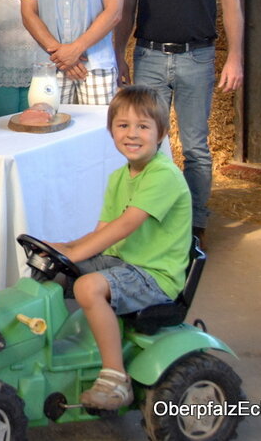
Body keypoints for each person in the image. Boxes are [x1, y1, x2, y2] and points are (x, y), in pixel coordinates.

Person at [115, 0, 244, 247]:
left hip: (197, 57)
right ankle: (151, 218)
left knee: (195, 147)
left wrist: (234, 58)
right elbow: (127, 7)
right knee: (146, 141)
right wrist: (121, 54)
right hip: (149, 56)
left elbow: (231, 5)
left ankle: (195, 225)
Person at [44, 86, 191, 410]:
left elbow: (125, 226)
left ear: (161, 133)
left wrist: (73, 253)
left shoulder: (163, 175)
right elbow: (102, 232)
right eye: (123, 125)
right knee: (48, 272)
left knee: (88, 286)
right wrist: (61, 248)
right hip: (123, 262)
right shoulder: (117, 177)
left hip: (155, 275)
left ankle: (115, 378)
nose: (132, 134)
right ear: (111, 131)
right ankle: (39, 351)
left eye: (143, 126)